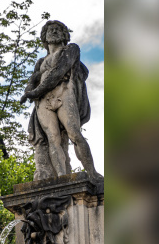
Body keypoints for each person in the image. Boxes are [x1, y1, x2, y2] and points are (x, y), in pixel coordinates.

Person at [21, 20, 102, 181]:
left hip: (63, 93)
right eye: (50, 29)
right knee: (53, 138)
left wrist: (34, 91)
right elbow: (31, 82)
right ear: (44, 37)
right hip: (44, 101)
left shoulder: (71, 49)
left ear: (65, 35)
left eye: (58, 29)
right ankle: (61, 177)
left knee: (74, 133)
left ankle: (93, 173)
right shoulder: (40, 62)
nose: (54, 31)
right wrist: (30, 89)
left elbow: (58, 72)